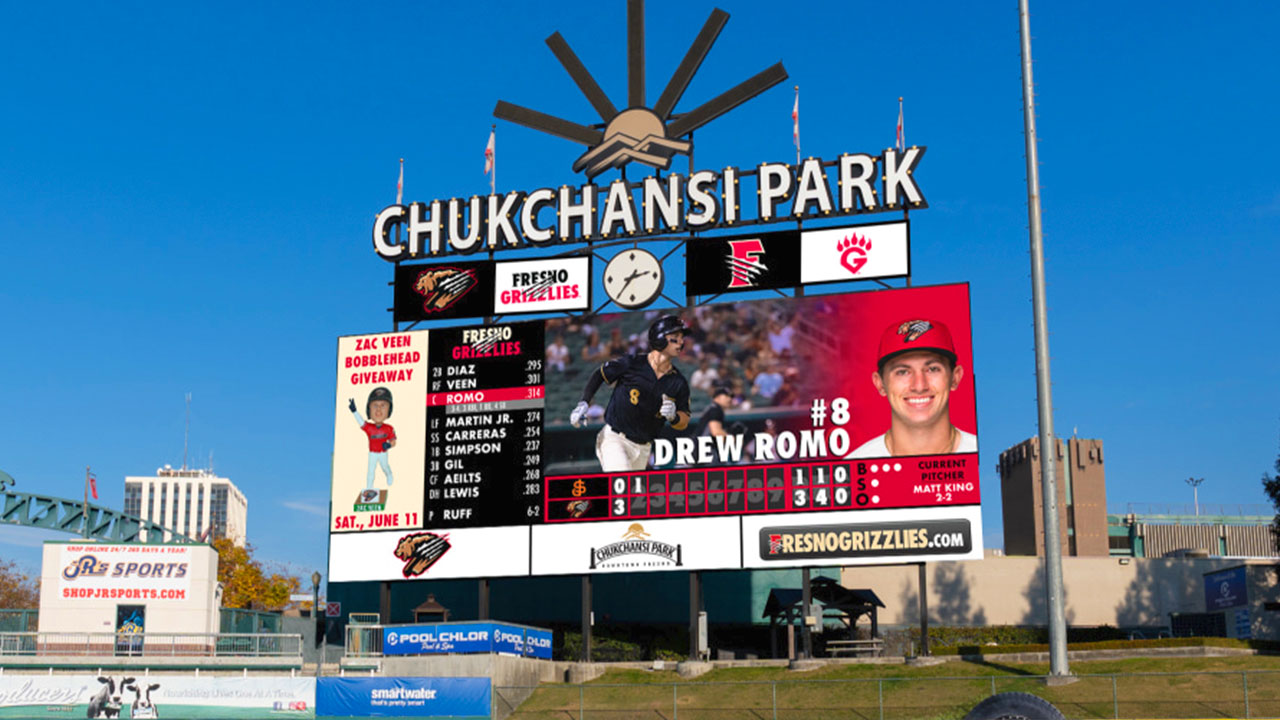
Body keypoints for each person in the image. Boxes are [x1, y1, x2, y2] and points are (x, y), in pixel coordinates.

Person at [570, 315, 692, 472]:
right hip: (615, 439)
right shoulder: (632, 363)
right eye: (675, 337)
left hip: (644, 449)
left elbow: (685, 420)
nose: (681, 342)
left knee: (630, 495)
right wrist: (584, 402)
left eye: (682, 337)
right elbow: (600, 374)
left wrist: (674, 416)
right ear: (660, 338)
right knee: (623, 487)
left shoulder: (678, 381)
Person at [848, 319, 977, 458]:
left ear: (955, 378)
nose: (919, 386)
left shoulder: (979, 455)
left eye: (932, 369)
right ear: (880, 383)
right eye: (902, 372)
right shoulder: (854, 466)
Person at [349, 386, 396, 488]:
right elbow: (361, 422)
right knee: (370, 471)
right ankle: (369, 488)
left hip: (383, 453)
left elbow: (393, 441)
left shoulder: (389, 428)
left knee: (385, 467)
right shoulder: (369, 428)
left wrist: (388, 445)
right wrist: (354, 412)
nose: (378, 410)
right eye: (375, 406)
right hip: (372, 453)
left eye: (383, 406)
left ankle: (389, 474)